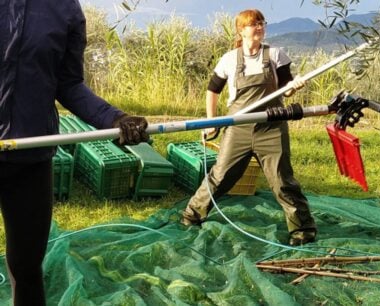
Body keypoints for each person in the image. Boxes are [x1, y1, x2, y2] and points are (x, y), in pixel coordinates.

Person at [0, 1, 148, 305]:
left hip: (30, 160)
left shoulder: (65, 9)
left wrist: (114, 118)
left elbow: (69, 84)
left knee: (26, 268)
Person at [181, 9, 316, 247]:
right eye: (254, 24)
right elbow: (212, 91)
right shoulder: (229, 59)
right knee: (220, 175)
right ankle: (191, 215)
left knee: (282, 180)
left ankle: (302, 230)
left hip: (271, 127)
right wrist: (212, 122)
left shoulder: (275, 54)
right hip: (239, 128)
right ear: (241, 30)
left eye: (262, 23)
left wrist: (294, 86)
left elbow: (285, 90)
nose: (260, 27)